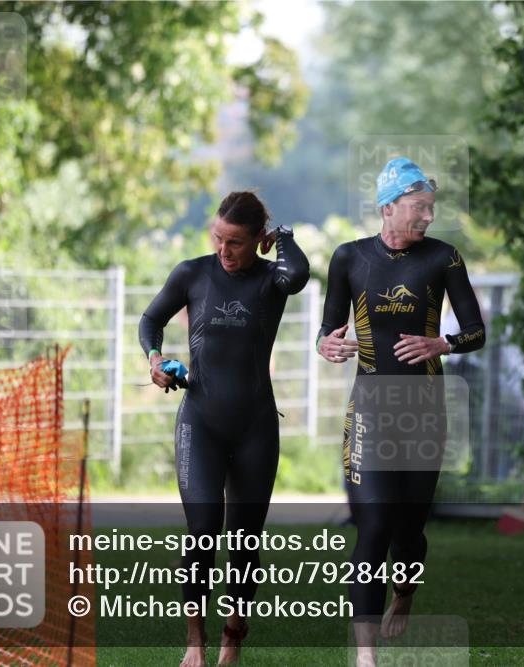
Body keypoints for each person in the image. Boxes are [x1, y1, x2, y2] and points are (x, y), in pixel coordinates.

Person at [316, 157, 486, 666]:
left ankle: (405, 592)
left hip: (423, 412)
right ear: (388, 207)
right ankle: (366, 657)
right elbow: (327, 332)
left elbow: (476, 331)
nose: (428, 217)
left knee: (409, 530)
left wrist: (443, 344)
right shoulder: (348, 258)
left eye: (432, 208)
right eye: (419, 207)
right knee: (373, 528)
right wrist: (328, 346)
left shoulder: (444, 258)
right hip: (369, 408)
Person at [138, 191, 309, 667]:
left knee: (245, 541)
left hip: (255, 425)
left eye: (236, 242)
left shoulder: (272, 279)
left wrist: (285, 239)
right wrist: (155, 361)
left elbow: (297, 274)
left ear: (258, 239)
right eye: (218, 239)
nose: (224, 251)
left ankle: (233, 638)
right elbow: (151, 319)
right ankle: (195, 640)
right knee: (203, 532)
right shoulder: (192, 273)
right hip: (201, 421)